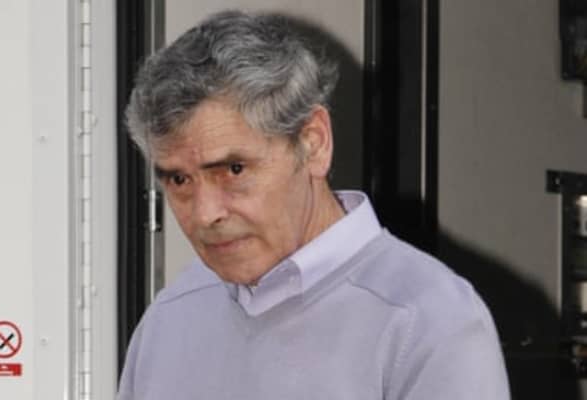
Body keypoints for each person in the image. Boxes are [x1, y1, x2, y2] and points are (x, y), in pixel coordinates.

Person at [118, 10, 510, 400]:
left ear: (314, 143)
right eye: (179, 180)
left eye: (234, 170)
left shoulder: (428, 321)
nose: (206, 213)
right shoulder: (171, 317)